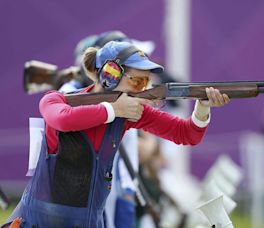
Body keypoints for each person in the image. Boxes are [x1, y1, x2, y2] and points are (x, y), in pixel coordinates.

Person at [4, 41, 230, 227]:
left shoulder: (130, 113)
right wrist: (114, 110)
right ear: (110, 75)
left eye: (146, 82)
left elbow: (187, 134)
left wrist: (202, 107)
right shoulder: (57, 99)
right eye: (138, 80)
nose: (143, 89)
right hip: (36, 222)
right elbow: (63, 119)